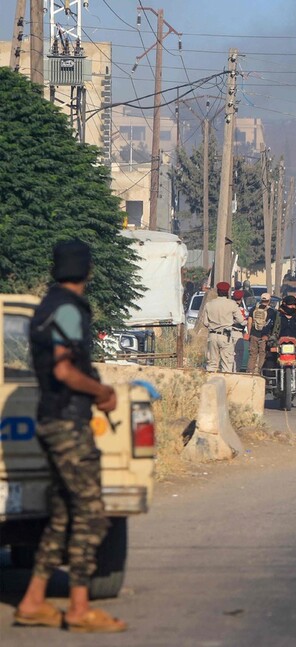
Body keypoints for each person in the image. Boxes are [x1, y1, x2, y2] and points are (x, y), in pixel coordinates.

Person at [17, 240, 127, 633]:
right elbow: (64, 370)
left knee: (63, 514)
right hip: (66, 421)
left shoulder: (45, 306)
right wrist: (102, 392)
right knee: (91, 514)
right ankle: (79, 608)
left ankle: (32, 601)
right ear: (88, 272)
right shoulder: (67, 308)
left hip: (52, 418)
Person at [201, 281, 245, 372]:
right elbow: (241, 320)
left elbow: (205, 323)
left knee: (212, 364)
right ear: (228, 291)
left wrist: (214, 325)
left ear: (217, 291)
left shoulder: (209, 304)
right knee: (227, 365)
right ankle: (226, 385)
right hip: (226, 336)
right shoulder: (232, 304)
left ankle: (211, 384)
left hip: (212, 336)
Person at [259, 295, 296, 366]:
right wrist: (265, 335)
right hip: (278, 343)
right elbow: (267, 326)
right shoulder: (276, 315)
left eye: (294, 305)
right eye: (290, 305)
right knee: (269, 363)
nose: (292, 307)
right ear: (284, 304)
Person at [247, 293, 273, 374]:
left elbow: (249, 322)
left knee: (252, 355)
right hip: (264, 336)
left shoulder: (253, 309)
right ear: (269, 301)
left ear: (261, 300)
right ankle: (259, 372)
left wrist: (249, 333)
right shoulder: (271, 311)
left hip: (254, 334)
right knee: (262, 354)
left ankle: (249, 372)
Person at [231, 290, 248, 371]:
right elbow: (242, 322)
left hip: (228, 332)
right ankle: (236, 372)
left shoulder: (228, 307)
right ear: (241, 299)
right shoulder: (240, 309)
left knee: (230, 355)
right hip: (237, 333)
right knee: (238, 355)